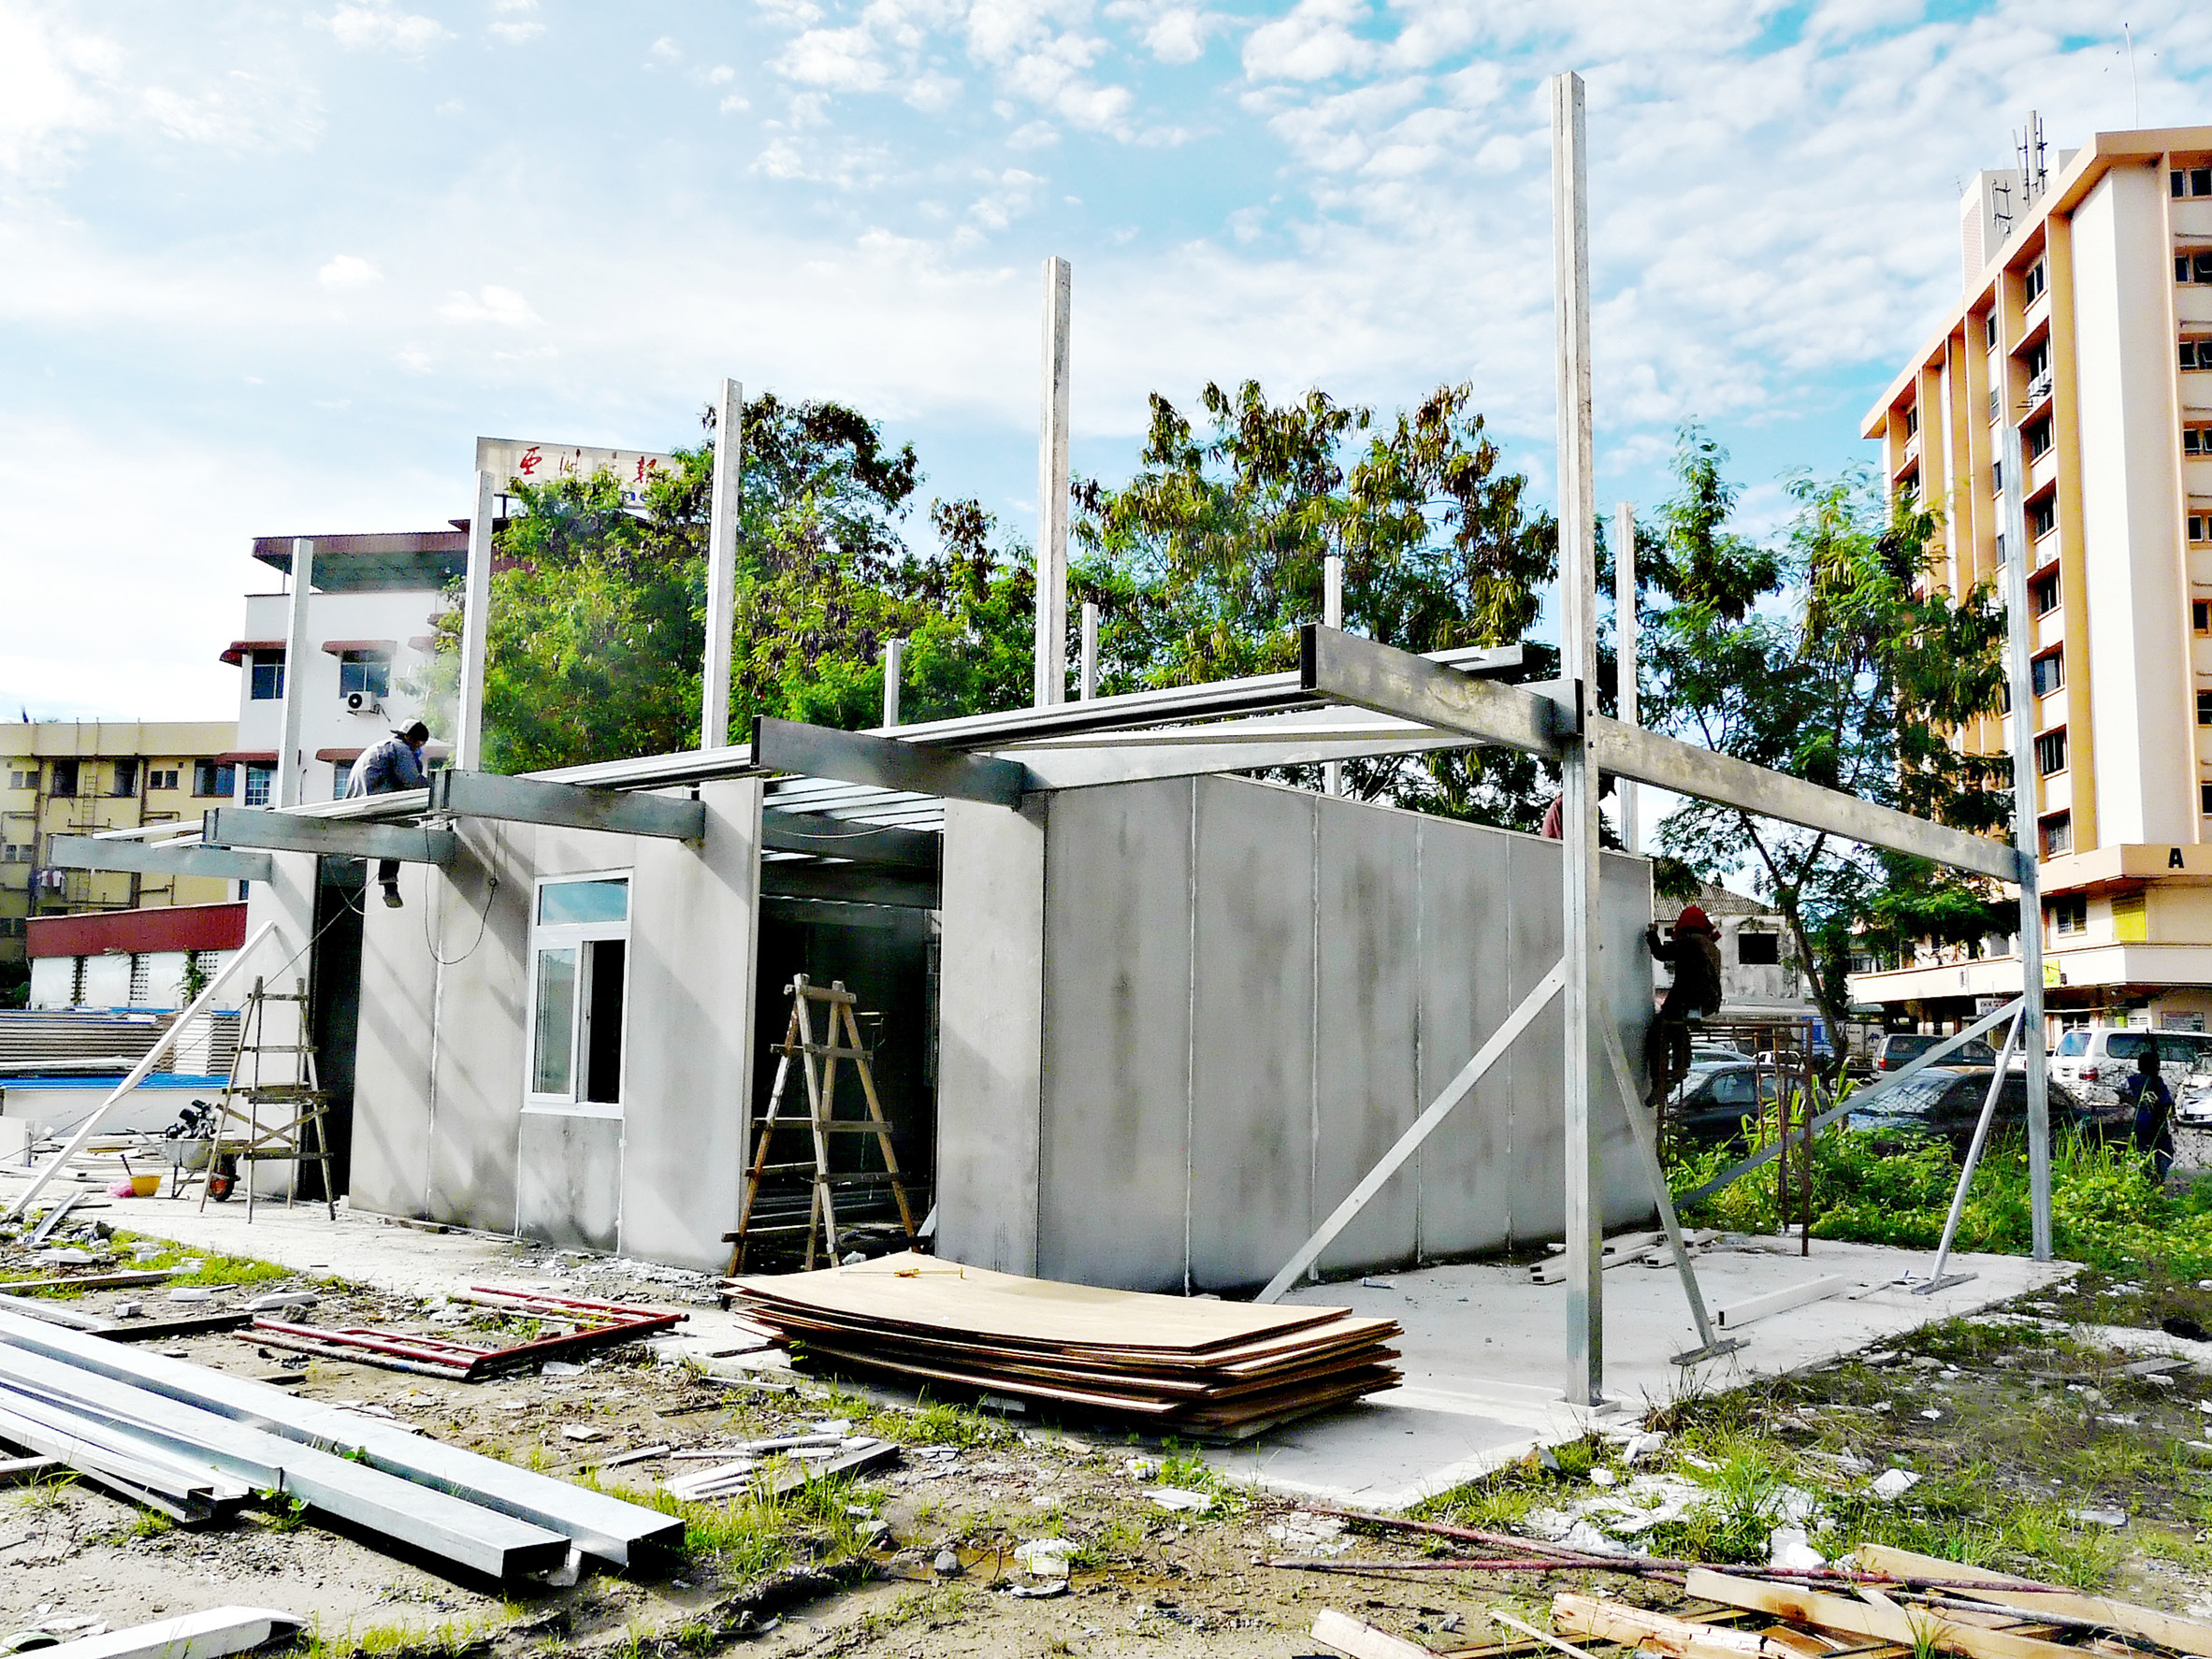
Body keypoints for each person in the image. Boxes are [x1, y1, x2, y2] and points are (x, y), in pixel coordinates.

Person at [1643, 904, 1723, 1109]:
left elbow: (1660, 953)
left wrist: (1652, 935)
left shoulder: (1690, 942)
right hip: (1709, 1001)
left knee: (1658, 1033)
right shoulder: (1710, 946)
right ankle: (1679, 1068)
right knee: (1677, 1028)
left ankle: (1660, 1082)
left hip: (1687, 996)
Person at [346, 721, 429, 909]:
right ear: (411, 739)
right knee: (400, 831)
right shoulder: (401, 749)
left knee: (398, 825)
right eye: (419, 744)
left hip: (358, 802)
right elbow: (411, 780)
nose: (419, 748)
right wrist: (436, 789)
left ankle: (360, 855)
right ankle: (389, 885)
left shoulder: (381, 746)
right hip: (376, 802)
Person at [2121, 1042, 2176, 1182]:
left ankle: (2145, 1177)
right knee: (2163, 1152)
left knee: (2143, 1151)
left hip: (2139, 1122)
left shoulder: (2131, 1081)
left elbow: (2123, 1098)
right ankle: (2157, 1178)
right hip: (2157, 1124)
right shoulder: (2157, 1082)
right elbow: (2166, 1101)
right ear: (2156, 1066)